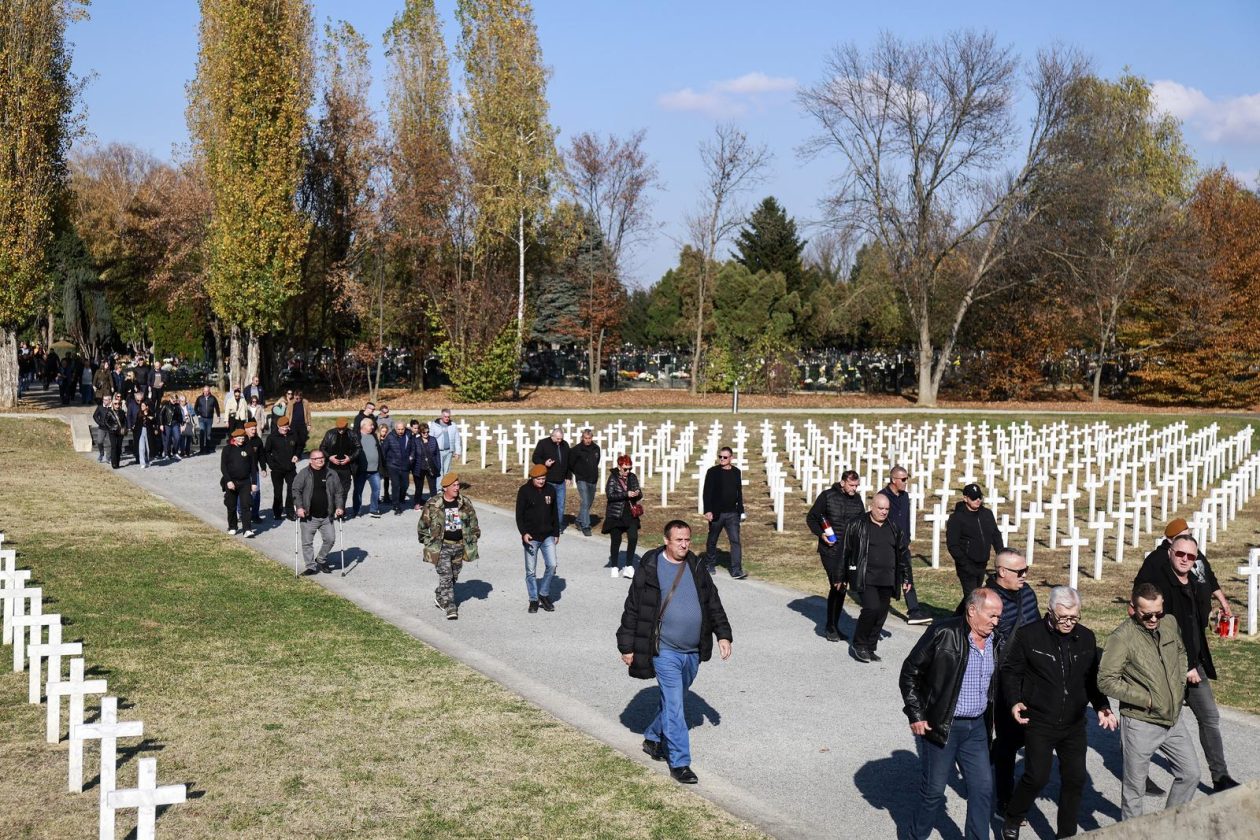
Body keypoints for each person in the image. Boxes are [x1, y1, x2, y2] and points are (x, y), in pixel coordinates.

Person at [617, 519, 733, 785]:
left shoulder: (696, 566)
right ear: (667, 540)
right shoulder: (650, 567)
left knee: (675, 699)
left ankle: (653, 737)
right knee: (676, 706)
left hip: (692, 650)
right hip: (664, 650)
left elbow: (712, 601)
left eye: (687, 540)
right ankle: (680, 762)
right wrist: (627, 645)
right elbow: (634, 608)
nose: (684, 544)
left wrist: (723, 635)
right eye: (679, 540)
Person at [999, 586, 1117, 840]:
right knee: (1037, 777)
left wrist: (1102, 706)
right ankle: (1013, 816)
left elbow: (1091, 678)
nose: (1068, 623)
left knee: (1075, 780)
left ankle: (1066, 834)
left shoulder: (1086, 637)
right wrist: (1014, 700)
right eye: (1062, 617)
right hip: (1040, 720)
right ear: (1049, 611)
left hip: (1073, 723)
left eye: (1074, 617)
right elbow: (1011, 671)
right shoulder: (1028, 636)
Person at [1135, 527, 1239, 792]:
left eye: (1190, 556)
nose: (1185, 559)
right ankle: (1137, 774)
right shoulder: (1159, 581)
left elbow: (1195, 619)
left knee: (1210, 717)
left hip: (1195, 663)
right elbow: (1155, 628)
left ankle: (1220, 777)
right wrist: (1185, 665)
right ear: (1170, 552)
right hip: (1167, 666)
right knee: (1157, 720)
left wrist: (1214, 618)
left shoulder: (1193, 582)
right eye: (1179, 553)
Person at [899, 588, 1003, 840]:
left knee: (982, 789)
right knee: (933, 792)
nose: (996, 622)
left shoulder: (996, 641)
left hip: (977, 728)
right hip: (943, 726)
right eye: (991, 616)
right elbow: (910, 673)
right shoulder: (943, 632)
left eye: (999, 617)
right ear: (971, 611)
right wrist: (916, 714)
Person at [1097, 582, 1200, 819]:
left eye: (1158, 613)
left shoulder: (1170, 623)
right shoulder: (1121, 639)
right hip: (1141, 723)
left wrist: (1179, 685)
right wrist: (1147, 699)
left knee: (1191, 773)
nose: (1154, 619)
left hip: (1173, 720)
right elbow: (1106, 680)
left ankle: (1167, 828)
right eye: (1147, 614)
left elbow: (1182, 652)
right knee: (1135, 791)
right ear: (1132, 609)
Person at [986, 549, 1042, 812]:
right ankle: (1005, 799)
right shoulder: (985, 600)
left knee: (1024, 734)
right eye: (1019, 572)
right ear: (1002, 572)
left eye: (1026, 570)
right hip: (1002, 680)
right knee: (1009, 741)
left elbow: (1038, 627)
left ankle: (994, 753)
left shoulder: (1028, 593)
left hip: (1030, 678)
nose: (1024, 576)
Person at [841, 493, 911, 663]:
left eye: (887, 509)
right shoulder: (857, 524)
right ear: (871, 506)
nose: (884, 512)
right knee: (871, 608)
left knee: (881, 613)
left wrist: (906, 578)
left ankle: (870, 647)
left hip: (887, 578)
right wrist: (841, 576)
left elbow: (903, 554)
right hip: (866, 577)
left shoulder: (894, 527)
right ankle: (859, 644)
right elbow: (845, 551)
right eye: (880, 508)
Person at [805, 469, 866, 642]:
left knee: (841, 587)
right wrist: (821, 534)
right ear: (843, 483)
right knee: (837, 584)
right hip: (830, 549)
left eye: (856, 485)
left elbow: (862, 523)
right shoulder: (827, 496)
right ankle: (830, 627)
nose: (854, 489)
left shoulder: (857, 500)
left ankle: (834, 625)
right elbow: (812, 518)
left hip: (848, 550)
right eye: (852, 485)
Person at [418, 472, 481, 620]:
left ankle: (440, 594)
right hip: (441, 546)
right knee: (446, 575)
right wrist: (428, 542)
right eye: (454, 485)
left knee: (453, 575)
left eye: (458, 485)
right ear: (445, 487)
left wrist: (474, 536)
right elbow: (422, 526)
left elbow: (474, 523)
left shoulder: (465, 503)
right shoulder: (433, 504)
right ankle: (450, 606)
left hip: (459, 545)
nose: (457, 488)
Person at [877, 466, 932, 625]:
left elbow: (906, 519)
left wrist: (907, 539)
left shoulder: (904, 496)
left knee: (907, 576)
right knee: (887, 575)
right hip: (887, 544)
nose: (906, 482)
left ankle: (913, 611)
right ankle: (879, 605)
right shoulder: (882, 496)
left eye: (907, 479)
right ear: (893, 480)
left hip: (902, 544)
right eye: (903, 479)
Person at [946, 483, 1004, 598]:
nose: (977, 500)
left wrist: (1002, 555)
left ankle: (957, 616)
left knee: (974, 596)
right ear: (965, 498)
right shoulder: (957, 518)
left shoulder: (987, 514)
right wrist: (964, 564)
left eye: (979, 497)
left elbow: (995, 535)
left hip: (982, 564)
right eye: (973, 498)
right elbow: (953, 545)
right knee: (973, 597)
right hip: (966, 565)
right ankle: (967, 616)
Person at [293, 450, 346, 575]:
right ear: (311, 460)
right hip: (308, 515)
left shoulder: (331, 473)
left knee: (330, 539)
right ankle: (311, 566)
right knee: (307, 543)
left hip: (327, 515)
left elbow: (339, 492)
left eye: (321, 457)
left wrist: (339, 506)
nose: (320, 460)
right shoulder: (304, 473)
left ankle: (321, 559)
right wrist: (299, 507)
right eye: (316, 458)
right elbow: (296, 490)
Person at [515, 464, 558, 613]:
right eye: (539, 479)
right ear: (533, 478)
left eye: (543, 478)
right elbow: (519, 515)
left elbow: (555, 513)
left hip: (548, 536)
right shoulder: (524, 491)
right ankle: (533, 599)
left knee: (552, 565)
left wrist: (556, 533)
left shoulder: (550, 490)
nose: (541, 481)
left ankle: (543, 594)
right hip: (531, 537)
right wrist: (523, 532)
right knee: (531, 571)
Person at [701, 446, 746, 579]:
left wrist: (741, 511)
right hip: (716, 513)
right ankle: (710, 564)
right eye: (720, 457)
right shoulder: (712, 472)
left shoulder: (737, 472)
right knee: (712, 539)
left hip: (733, 513)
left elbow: (739, 492)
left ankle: (736, 570)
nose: (722, 459)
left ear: (731, 458)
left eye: (725, 457)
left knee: (735, 541)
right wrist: (708, 510)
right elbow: (707, 492)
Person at [603, 454, 643, 578]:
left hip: (630, 514)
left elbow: (640, 493)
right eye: (625, 469)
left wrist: (637, 493)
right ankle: (614, 565)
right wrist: (626, 494)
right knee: (616, 540)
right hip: (616, 515)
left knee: (633, 537)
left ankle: (629, 565)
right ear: (619, 467)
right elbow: (610, 495)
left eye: (630, 468)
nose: (628, 471)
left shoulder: (632, 477)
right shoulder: (613, 478)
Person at [532, 427, 571, 535]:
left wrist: (568, 476)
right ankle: (545, 525)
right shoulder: (543, 443)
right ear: (552, 436)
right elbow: (535, 457)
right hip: (548, 480)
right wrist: (545, 463)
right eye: (557, 439)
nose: (559, 441)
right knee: (547, 504)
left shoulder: (565, 445)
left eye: (561, 439)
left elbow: (568, 461)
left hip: (561, 481)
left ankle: (557, 527)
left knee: (560, 505)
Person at [220, 428, 257, 536]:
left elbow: (253, 467)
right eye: (239, 438)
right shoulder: (227, 449)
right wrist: (228, 481)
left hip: (245, 482)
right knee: (231, 505)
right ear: (234, 438)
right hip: (231, 482)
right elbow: (223, 467)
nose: (241, 440)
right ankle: (232, 526)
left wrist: (254, 482)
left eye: (243, 438)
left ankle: (247, 529)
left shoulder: (248, 448)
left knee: (246, 505)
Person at [263, 416, 299, 520]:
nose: (285, 429)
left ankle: (290, 511)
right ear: (278, 426)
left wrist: (297, 455)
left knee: (292, 489)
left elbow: (298, 447)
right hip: (277, 469)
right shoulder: (272, 437)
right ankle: (277, 512)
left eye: (286, 426)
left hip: (291, 468)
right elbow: (267, 452)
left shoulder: (293, 435)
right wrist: (271, 465)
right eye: (283, 427)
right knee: (278, 491)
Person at [570, 428, 601, 537]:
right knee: (585, 500)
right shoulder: (577, 450)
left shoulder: (596, 448)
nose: (587, 440)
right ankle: (586, 526)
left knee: (589, 502)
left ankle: (579, 520)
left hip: (593, 479)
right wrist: (577, 474)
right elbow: (571, 464)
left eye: (589, 438)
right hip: (582, 479)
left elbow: (597, 461)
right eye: (585, 438)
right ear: (582, 438)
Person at [320, 417, 360, 496]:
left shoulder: (352, 434)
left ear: (347, 426)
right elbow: (322, 447)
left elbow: (358, 448)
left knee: (344, 491)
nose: (341, 431)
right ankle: (333, 507)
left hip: (346, 468)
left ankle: (341, 507)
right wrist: (329, 457)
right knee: (331, 491)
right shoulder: (330, 433)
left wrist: (350, 458)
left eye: (343, 429)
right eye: (339, 429)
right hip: (332, 467)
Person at [352, 417, 382, 519]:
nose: (373, 427)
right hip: (361, 470)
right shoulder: (356, 436)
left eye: (373, 425)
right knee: (358, 491)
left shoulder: (374, 436)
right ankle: (357, 511)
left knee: (376, 490)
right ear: (363, 426)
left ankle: (374, 509)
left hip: (375, 470)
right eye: (371, 425)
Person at [381, 420, 413, 515]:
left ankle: (400, 498)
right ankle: (396, 505)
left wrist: (411, 457)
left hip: (405, 465)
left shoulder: (408, 435)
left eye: (402, 429)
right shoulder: (390, 437)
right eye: (398, 429)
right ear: (395, 429)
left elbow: (412, 448)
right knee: (395, 485)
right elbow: (384, 451)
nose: (400, 431)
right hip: (393, 465)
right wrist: (386, 464)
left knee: (405, 485)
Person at [410, 421, 440, 506]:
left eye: (427, 432)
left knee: (433, 488)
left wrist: (438, 466)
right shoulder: (416, 441)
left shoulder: (433, 440)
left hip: (431, 466)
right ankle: (417, 503)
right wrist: (411, 464)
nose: (426, 434)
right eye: (424, 432)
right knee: (419, 487)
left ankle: (435, 504)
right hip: (419, 467)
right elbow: (413, 453)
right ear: (420, 432)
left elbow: (437, 454)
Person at [243, 420, 265, 521]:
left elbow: (261, 456)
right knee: (242, 492)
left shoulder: (258, 440)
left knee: (256, 492)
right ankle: (241, 513)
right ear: (246, 430)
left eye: (255, 429)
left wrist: (263, 468)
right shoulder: (241, 440)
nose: (254, 430)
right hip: (242, 471)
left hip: (254, 471)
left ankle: (255, 514)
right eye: (252, 429)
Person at [432, 408, 461, 477]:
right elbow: (431, 439)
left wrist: (458, 452)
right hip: (438, 451)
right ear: (441, 416)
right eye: (445, 417)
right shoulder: (435, 425)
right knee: (440, 470)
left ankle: (446, 487)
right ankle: (439, 487)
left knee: (447, 471)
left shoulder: (453, 425)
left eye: (448, 417)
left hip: (449, 451)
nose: (447, 418)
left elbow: (457, 439)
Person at [194, 385, 220, 454]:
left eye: (207, 391)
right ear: (203, 391)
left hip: (209, 419)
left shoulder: (213, 398)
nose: (206, 392)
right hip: (201, 418)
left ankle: (208, 449)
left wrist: (218, 416)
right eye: (205, 391)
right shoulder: (199, 398)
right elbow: (195, 408)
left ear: (209, 391)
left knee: (208, 434)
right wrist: (198, 415)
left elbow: (217, 408)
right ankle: (202, 449)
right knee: (202, 433)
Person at [103, 393, 126, 469]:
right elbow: (106, 422)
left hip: (120, 432)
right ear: (113, 404)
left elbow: (125, 421)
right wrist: (111, 428)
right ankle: (114, 463)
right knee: (114, 447)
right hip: (112, 432)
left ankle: (117, 462)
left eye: (119, 403)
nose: (117, 405)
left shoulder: (122, 412)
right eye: (115, 404)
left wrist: (124, 428)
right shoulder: (109, 412)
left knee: (119, 447)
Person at [159, 393, 182, 461]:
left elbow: (180, 416)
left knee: (177, 437)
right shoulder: (166, 405)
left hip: (175, 424)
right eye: (173, 400)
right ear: (170, 399)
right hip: (167, 424)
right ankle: (167, 454)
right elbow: (161, 415)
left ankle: (175, 452)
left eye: (175, 400)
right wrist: (161, 424)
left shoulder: (177, 406)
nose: (174, 401)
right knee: (167, 439)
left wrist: (181, 423)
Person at [287, 390, 311, 454]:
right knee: (295, 440)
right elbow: (287, 414)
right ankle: (294, 454)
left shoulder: (305, 402)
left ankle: (299, 453)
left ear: (301, 397)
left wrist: (309, 425)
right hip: (293, 424)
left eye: (298, 398)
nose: (296, 399)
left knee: (302, 440)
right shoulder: (291, 403)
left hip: (303, 424)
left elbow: (308, 414)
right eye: (295, 398)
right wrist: (287, 425)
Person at [92, 395, 113, 463]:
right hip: (102, 428)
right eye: (104, 399)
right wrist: (99, 423)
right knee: (99, 441)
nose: (104, 401)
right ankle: (101, 453)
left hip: (110, 429)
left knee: (109, 443)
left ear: (110, 400)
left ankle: (108, 457)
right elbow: (95, 416)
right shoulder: (100, 407)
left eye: (106, 400)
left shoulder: (112, 407)